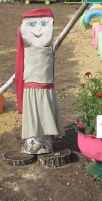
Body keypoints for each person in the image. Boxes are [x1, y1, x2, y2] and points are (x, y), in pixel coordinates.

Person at [15, 8, 64, 154]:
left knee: (45, 106)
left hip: (45, 83)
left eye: (43, 24)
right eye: (32, 24)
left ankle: (45, 141)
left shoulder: (47, 50)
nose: (38, 29)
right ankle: (34, 141)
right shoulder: (27, 50)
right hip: (30, 83)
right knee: (33, 108)